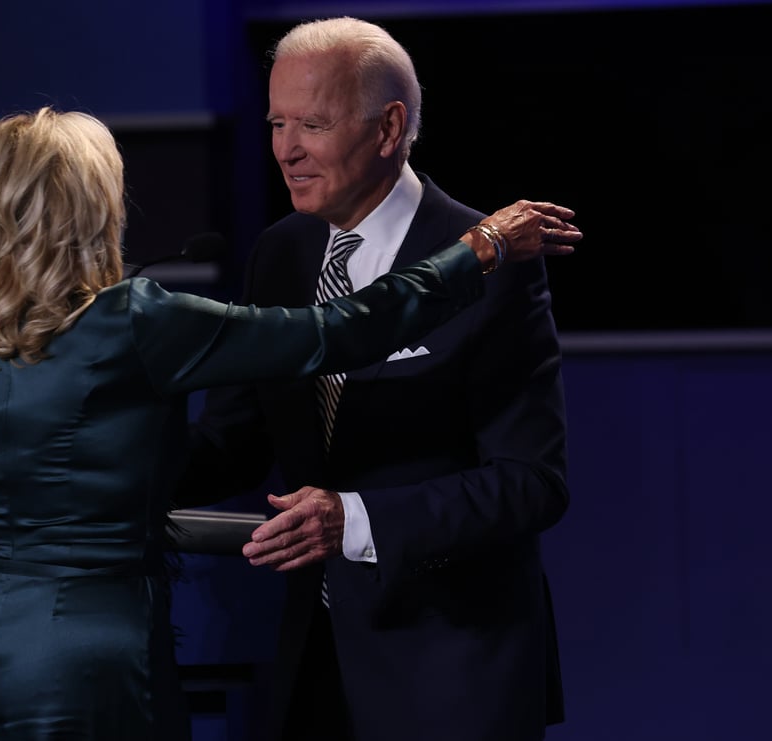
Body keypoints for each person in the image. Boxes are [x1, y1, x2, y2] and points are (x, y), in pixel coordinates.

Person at [0, 105, 579, 740]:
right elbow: (340, 331)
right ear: (90, 207)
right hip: (94, 657)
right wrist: (478, 249)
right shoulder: (136, 320)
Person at [175, 16, 575, 741]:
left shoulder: (489, 263)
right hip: (311, 666)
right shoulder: (282, 253)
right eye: (276, 123)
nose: (286, 151)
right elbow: (233, 439)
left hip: (452, 668)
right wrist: (104, 465)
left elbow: (531, 482)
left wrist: (352, 519)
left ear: (389, 128)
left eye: (313, 125)